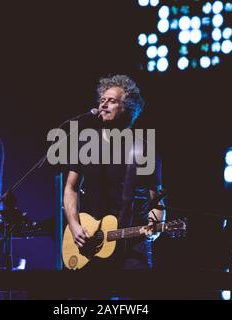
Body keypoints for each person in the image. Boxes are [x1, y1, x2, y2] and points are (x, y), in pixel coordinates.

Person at [63, 75, 165, 273]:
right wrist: (74, 225)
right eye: (102, 100)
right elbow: (70, 187)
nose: (104, 104)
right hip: (92, 239)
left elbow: (157, 201)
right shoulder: (85, 146)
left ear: (128, 108)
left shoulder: (143, 151)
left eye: (112, 101)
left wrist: (155, 224)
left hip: (132, 243)